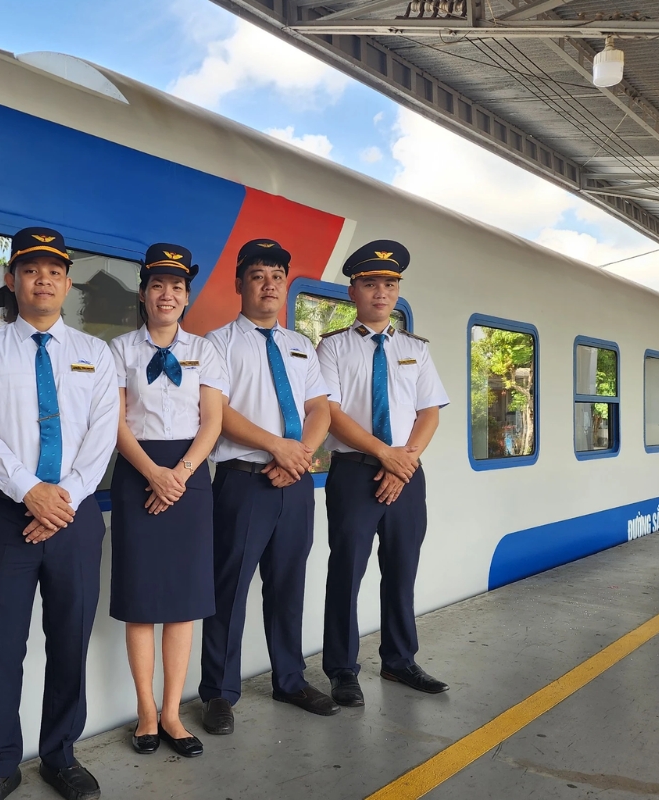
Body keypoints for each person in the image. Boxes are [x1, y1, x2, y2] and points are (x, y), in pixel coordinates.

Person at [0, 227, 118, 800]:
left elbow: (102, 438)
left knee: (69, 638)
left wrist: (61, 498)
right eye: (29, 270)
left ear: (67, 283)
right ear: (12, 281)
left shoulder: (96, 355)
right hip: (7, 518)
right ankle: (0, 765)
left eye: (53, 270)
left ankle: (60, 754)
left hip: (74, 518)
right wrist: (31, 492)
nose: (42, 278)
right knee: (2, 644)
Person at [199, 238, 339, 736]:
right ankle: (218, 692)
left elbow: (320, 408)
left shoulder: (300, 343)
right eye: (258, 275)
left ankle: (290, 678)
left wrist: (297, 454)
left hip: (294, 485)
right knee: (228, 590)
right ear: (239, 283)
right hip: (242, 484)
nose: (269, 284)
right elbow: (218, 412)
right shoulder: (216, 343)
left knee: (289, 585)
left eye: (277, 276)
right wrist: (277, 447)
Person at [316, 240, 450, 706]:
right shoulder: (332, 348)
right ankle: (341, 669)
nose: (381, 293)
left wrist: (404, 459)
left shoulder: (415, 348)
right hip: (354, 474)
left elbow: (429, 411)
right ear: (353, 291)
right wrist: (384, 454)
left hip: (407, 474)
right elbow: (330, 412)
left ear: (397, 293)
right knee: (346, 571)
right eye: (371, 284)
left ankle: (399, 660)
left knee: (401, 570)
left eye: (389, 285)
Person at [108, 243, 226, 759]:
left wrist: (176, 475)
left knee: (182, 605)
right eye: (158, 284)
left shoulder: (207, 350)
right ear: (143, 292)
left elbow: (213, 422)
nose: (167, 294)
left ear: (187, 296)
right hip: (138, 473)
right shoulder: (119, 351)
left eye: (177, 286)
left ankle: (174, 712)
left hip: (190, 476)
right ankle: (146, 713)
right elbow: (115, 422)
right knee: (141, 601)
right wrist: (153, 473)